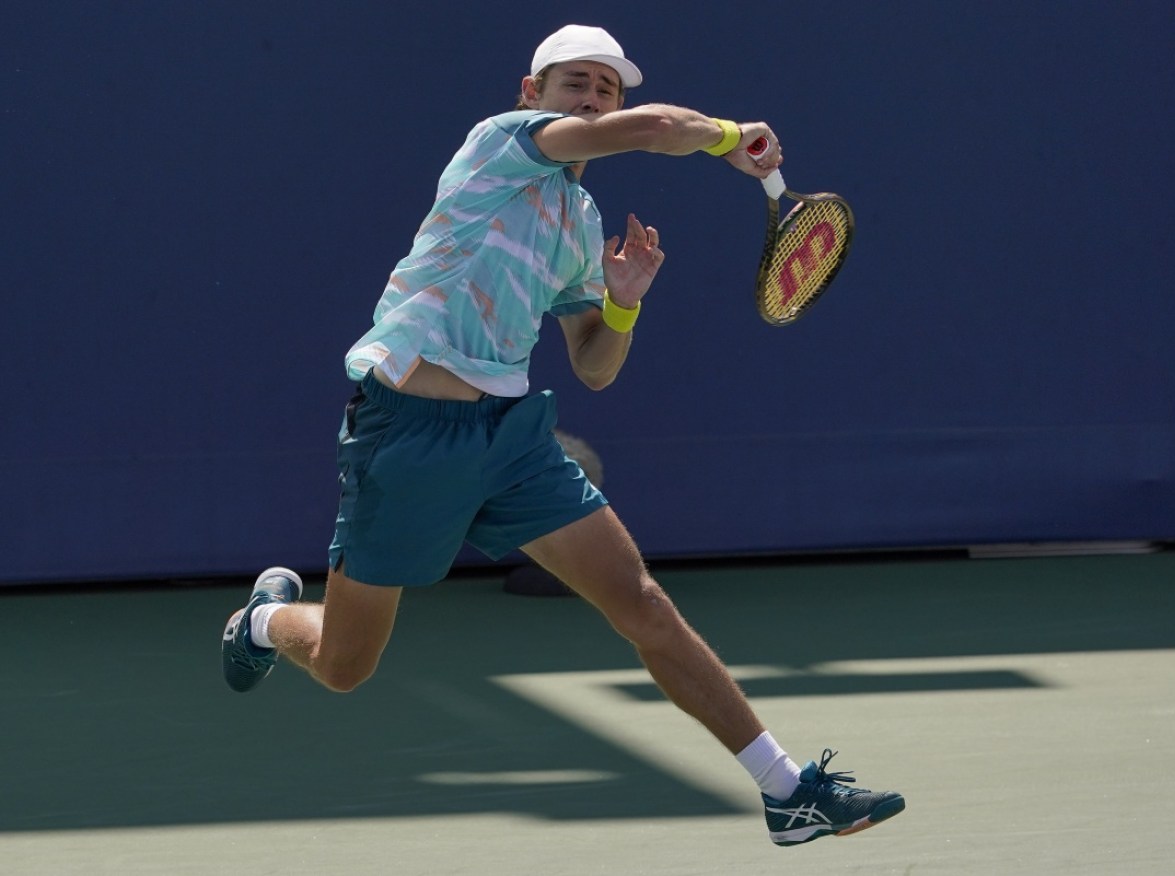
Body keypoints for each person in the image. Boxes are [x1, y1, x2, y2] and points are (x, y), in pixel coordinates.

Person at [220, 24, 904, 846]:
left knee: (640, 601)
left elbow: (594, 365)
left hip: (510, 438)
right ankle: (261, 622)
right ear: (531, 94)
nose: (590, 97)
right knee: (344, 667)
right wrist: (730, 139)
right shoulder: (497, 146)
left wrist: (622, 300)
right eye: (573, 83)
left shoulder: (580, 221)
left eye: (604, 88)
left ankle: (786, 789)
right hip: (406, 432)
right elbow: (652, 130)